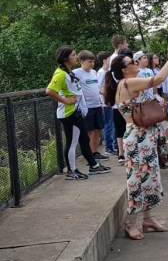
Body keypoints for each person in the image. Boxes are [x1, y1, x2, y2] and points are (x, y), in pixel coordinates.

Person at [103, 45, 168, 239]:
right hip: (137, 139)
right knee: (137, 181)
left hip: (144, 137)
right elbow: (158, 79)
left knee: (150, 178)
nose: (136, 63)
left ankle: (148, 219)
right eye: (131, 62)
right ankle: (130, 224)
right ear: (124, 70)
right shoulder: (128, 83)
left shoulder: (127, 83)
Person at [46, 47, 112, 180]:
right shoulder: (61, 74)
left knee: (84, 139)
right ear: (66, 59)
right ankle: (72, 171)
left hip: (76, 112)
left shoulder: (68, 72)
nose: (76, 57)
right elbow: (49, 91)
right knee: (72, 142)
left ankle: (93, 165)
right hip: (69, 113)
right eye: (73, 55)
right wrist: (65, 100)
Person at [73, 50, 108, 162]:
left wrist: (105, 94)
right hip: (87, 107)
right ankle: (89, 154)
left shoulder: (93, 72)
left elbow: (96, 88)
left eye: (93, 61)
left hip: (97, 105)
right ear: (82, 61)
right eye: (89, 62)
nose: (92, 64)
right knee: (90, 131)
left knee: (98, 130)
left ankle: (95, 152)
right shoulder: (76, 73)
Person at [96, 51, 118, 156]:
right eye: (109, 59)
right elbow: (98, 88)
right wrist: (107, 96)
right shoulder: (101, 72)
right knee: (108, 125)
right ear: (104, 60)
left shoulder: (107, 72)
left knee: (112, 124)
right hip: (106, 103)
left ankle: (113, 145)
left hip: (110, 102)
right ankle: (108, 147)